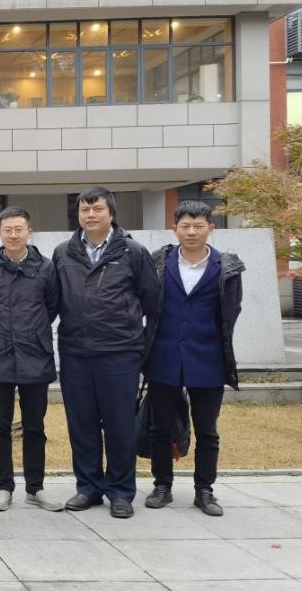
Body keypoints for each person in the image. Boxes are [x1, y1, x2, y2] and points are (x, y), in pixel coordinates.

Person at [53, 186, 159, 519]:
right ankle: (88, 488)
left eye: (97, 209)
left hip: (120, 353)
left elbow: (152, 302)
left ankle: (121, 492)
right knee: (81, 425)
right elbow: (53, 301)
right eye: (84, 209)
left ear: (111, 213)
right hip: (75, 352)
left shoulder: (132, 251)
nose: (90, 215)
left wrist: (142, 349)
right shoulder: (63, 253)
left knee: (119, 426)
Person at [144, 200, 244, 517]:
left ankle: (205, 490)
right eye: (185, 226)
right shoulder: (158, 262)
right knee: (160, 427)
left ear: (210, 228)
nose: (191, 232)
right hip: (163, 356)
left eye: (198, 226)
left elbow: (231, 311)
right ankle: (162, 485)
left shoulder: (226, 267)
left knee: (207, 430)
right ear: (174, 228)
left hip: (207, 358)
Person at [0, 207, 63, 512]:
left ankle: (35, 488)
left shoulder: (47, 267)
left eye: (19, 229)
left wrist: (31, 333)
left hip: (34, 356)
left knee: (35, 427)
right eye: (7, 230)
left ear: (29, 232)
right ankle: (4, 487)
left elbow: (52, 306)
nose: (13, 235)